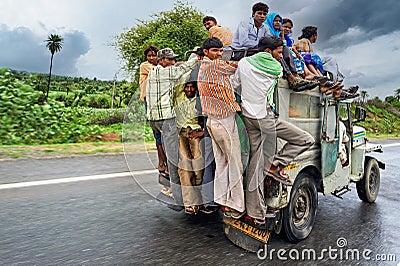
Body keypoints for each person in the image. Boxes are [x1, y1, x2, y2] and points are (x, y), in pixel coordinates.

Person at [231, 35, 315, 225]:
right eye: (278, 52)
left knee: (255, 163)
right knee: (305, 139)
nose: (281, 56)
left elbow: (235, 84)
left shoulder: (244, 63)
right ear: (268, 51)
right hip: (265, 118)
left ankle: (255, 212)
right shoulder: (276, 68)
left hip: (249, 118)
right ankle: (276, 164)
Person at [197, 37, 245, 218]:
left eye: (220, 50)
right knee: (234, 162)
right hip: (223, 121)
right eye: (215, 51)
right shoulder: (215, 66)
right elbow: (238, 66)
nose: (219, 54)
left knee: (222, 162)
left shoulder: (203, 67)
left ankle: (223, 199)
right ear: (206, 52)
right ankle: (237, 204)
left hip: (212, 121)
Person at [146, 48, 198, 209]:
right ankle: (178, 201)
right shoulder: (167, 73)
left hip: (154, 119)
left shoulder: (153, 72)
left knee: (168, 154)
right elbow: (187, 66)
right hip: (166, 119)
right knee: (174, 159)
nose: (173, 62)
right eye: (170, 60)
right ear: (161, 60)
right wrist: (197, 53)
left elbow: (178, 67)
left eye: (174, 59)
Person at [175, 79, 205, 214]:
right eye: (187, 87)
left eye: (192, 87)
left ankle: (199, 197)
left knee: (198, 163)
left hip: (195, 131)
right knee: (185, 165)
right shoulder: (178, 97)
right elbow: (180, 82)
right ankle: (190, 203)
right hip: (181, 132)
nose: (189, 90)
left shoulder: (199, 100)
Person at [139, 45, 169, 176]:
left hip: (159, 100)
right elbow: (162, 71)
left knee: (162, 136)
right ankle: (163, 163)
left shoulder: (160, 67)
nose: (151, 58)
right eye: (149, 55)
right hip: (150, 101)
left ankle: (163, 163)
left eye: (154, 55)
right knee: (159, 135)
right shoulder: (146, 66)